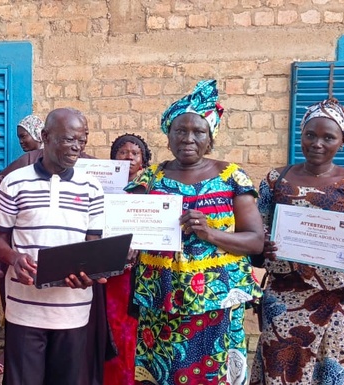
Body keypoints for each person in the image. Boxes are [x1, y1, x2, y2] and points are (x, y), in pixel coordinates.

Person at [125, 80, 264, 385]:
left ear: (210, 136)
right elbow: (123, 228)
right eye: (180, 130)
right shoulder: (149, 178)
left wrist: (211, 234)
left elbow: (255, 241)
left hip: (218, 302)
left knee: (214, 377)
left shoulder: (232, 177)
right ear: (168, 135)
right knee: (162, 374)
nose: (189, 138)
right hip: (159, 301)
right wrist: (126, 244)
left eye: (198, 131)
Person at [250, 99, 344, 385]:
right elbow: (257, 227)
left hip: (338, 300)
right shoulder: (276, 180)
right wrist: (263, 244)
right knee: (282, 366)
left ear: (342, 141)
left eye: (328, 137)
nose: (317, 143)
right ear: (301, 134)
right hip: (285, 295)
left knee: (336, 367)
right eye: (310, 134)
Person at [0, 108, 106, 385]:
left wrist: (90, 273)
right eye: (69, 139)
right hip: (24, 309)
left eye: (83, 139)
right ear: (45, 137)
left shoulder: (92, 187)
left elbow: (94, 245)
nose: (77, 147)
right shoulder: (15, 182)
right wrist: (13, 258)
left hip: (73, 310)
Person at [0, 114, 44, 376]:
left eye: (24, 135)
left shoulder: (33, 163)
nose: (21, 141)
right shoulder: (20, 168)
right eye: (19, 136)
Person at [103, 133, 152, 385]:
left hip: (137, 273)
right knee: (109, 325)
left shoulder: (153, 187)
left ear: (143, 159)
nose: (129, 157)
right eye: (123, 152)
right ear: (114, 157)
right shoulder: (100, 186)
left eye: (135, 153)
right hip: (108, 271)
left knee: (132, 326)